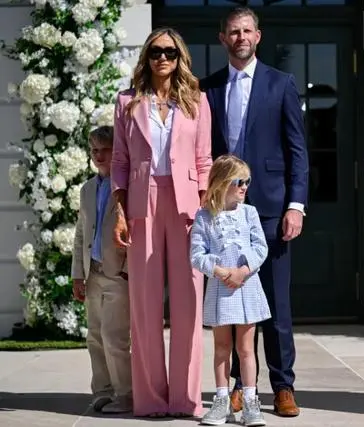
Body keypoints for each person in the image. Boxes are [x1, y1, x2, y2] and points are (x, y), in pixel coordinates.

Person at [199, 6, 309, 417]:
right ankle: (237, 389)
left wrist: (295, 205)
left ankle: (283, 386)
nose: (241, 37)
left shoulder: (281, 83)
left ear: (258, 36)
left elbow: (298, 151)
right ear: (222, 38)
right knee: (231, 304)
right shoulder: (208, 88)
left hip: (271, 210)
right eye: (233, 31)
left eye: (247, 30)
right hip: (223, 213)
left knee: (276, 303)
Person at [111, 27, 213, 418]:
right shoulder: (126, 102)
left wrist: (205, 209)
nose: (163, 58)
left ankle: (186, 399)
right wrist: (120, 211)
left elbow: (204, 160)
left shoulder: (197, 100)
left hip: (187, 205)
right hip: (142, 202)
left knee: (189, 303)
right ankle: (151, 399)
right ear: (147, 57)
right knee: (145, 304)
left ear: (180, 57)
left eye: (170, 52)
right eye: (156, 52)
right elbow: (119, 161)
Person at [191, 155, 270, 427]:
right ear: (222, 182)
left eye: (248, 181)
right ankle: (222, 402)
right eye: (239, 181)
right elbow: (197, 255)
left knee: (246, 348)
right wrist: (221, 271)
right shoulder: (204, 216)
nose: (244, 186)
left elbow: (260, 247)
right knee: (222, 347)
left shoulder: (250, 213)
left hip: (246, 287)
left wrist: (243, 271)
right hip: (220, 289)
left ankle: (250, 402)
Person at [71, 126, 132, 414]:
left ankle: (126, 394)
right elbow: (80, 233)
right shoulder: (87, 189)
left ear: (116, 152)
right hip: (92, 271)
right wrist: (77, 274)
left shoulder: (126, 188)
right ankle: (103, 390)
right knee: (94, 336)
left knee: (114, 336)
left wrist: (126, 270)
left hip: (117, 272)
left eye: (104, 150)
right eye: (94, 150)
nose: (98, 155)